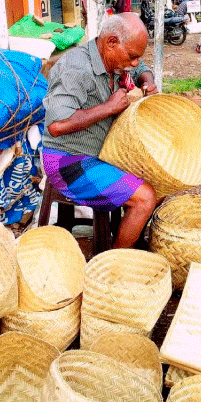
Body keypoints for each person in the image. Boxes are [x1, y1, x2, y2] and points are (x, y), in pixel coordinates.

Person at [41, 13, 160, 250]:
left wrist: (147, 80)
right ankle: (113, 268)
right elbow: (57, 126)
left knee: (160, 180)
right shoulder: (75, 68)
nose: (135, 63)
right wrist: (108, 108)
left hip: (101, 153)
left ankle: (130, 235)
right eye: (132, 57)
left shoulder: (113, 58)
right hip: (68, 161)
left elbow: (142, 68)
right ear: (111, 42)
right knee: (145, 199)